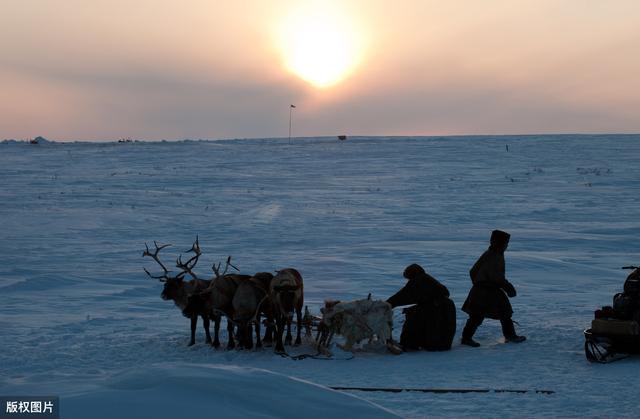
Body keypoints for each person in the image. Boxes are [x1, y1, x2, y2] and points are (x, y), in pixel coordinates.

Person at [461, 230, 526, 347]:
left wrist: (477, 283)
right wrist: (508, 287)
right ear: (500, 243)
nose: (507, 246)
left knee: (478, 315)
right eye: (506, 243)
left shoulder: (489, 253)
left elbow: (472, 271)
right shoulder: (495, 256)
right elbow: (497, 277)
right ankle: (510, 336)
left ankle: (466, 338)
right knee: (502, 312)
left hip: (480, 290)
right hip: (488, 290)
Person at [387, 264, 456, 351]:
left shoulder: (418, 281)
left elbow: (402, 296)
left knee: (414, 317)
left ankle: (410, 344)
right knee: (417, 313)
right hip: (444, 307)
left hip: (437, 307)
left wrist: (387, 304)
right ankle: (429, 343)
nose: (408, 280)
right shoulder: (425, 278)